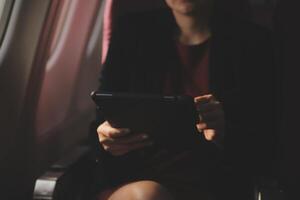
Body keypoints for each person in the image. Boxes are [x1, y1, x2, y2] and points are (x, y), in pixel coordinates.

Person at [90, 0, 277, 199]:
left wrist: (225, 133)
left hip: (216, 183)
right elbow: (102, 121)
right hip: (136, 177)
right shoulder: (131, 32)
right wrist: (107, 139)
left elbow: (267, 141)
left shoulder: (252, 42)